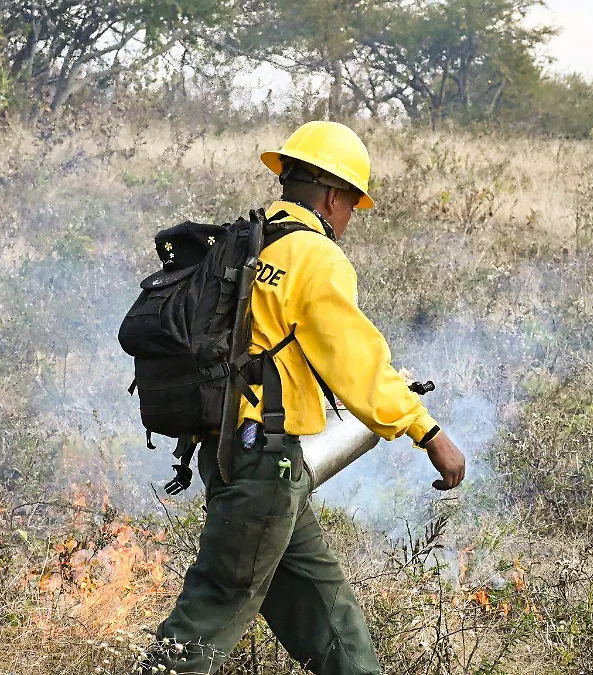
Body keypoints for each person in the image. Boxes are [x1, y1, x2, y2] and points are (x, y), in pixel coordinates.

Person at [140, 121, 467, 675]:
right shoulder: (315, 256)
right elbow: (355, 363)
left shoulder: (245, 240)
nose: (347, 222)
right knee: (211, 612)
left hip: (239, 457)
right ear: (334, 195)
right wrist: (427, 432)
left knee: (332, 623)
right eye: (350, 208)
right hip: (260, 464)